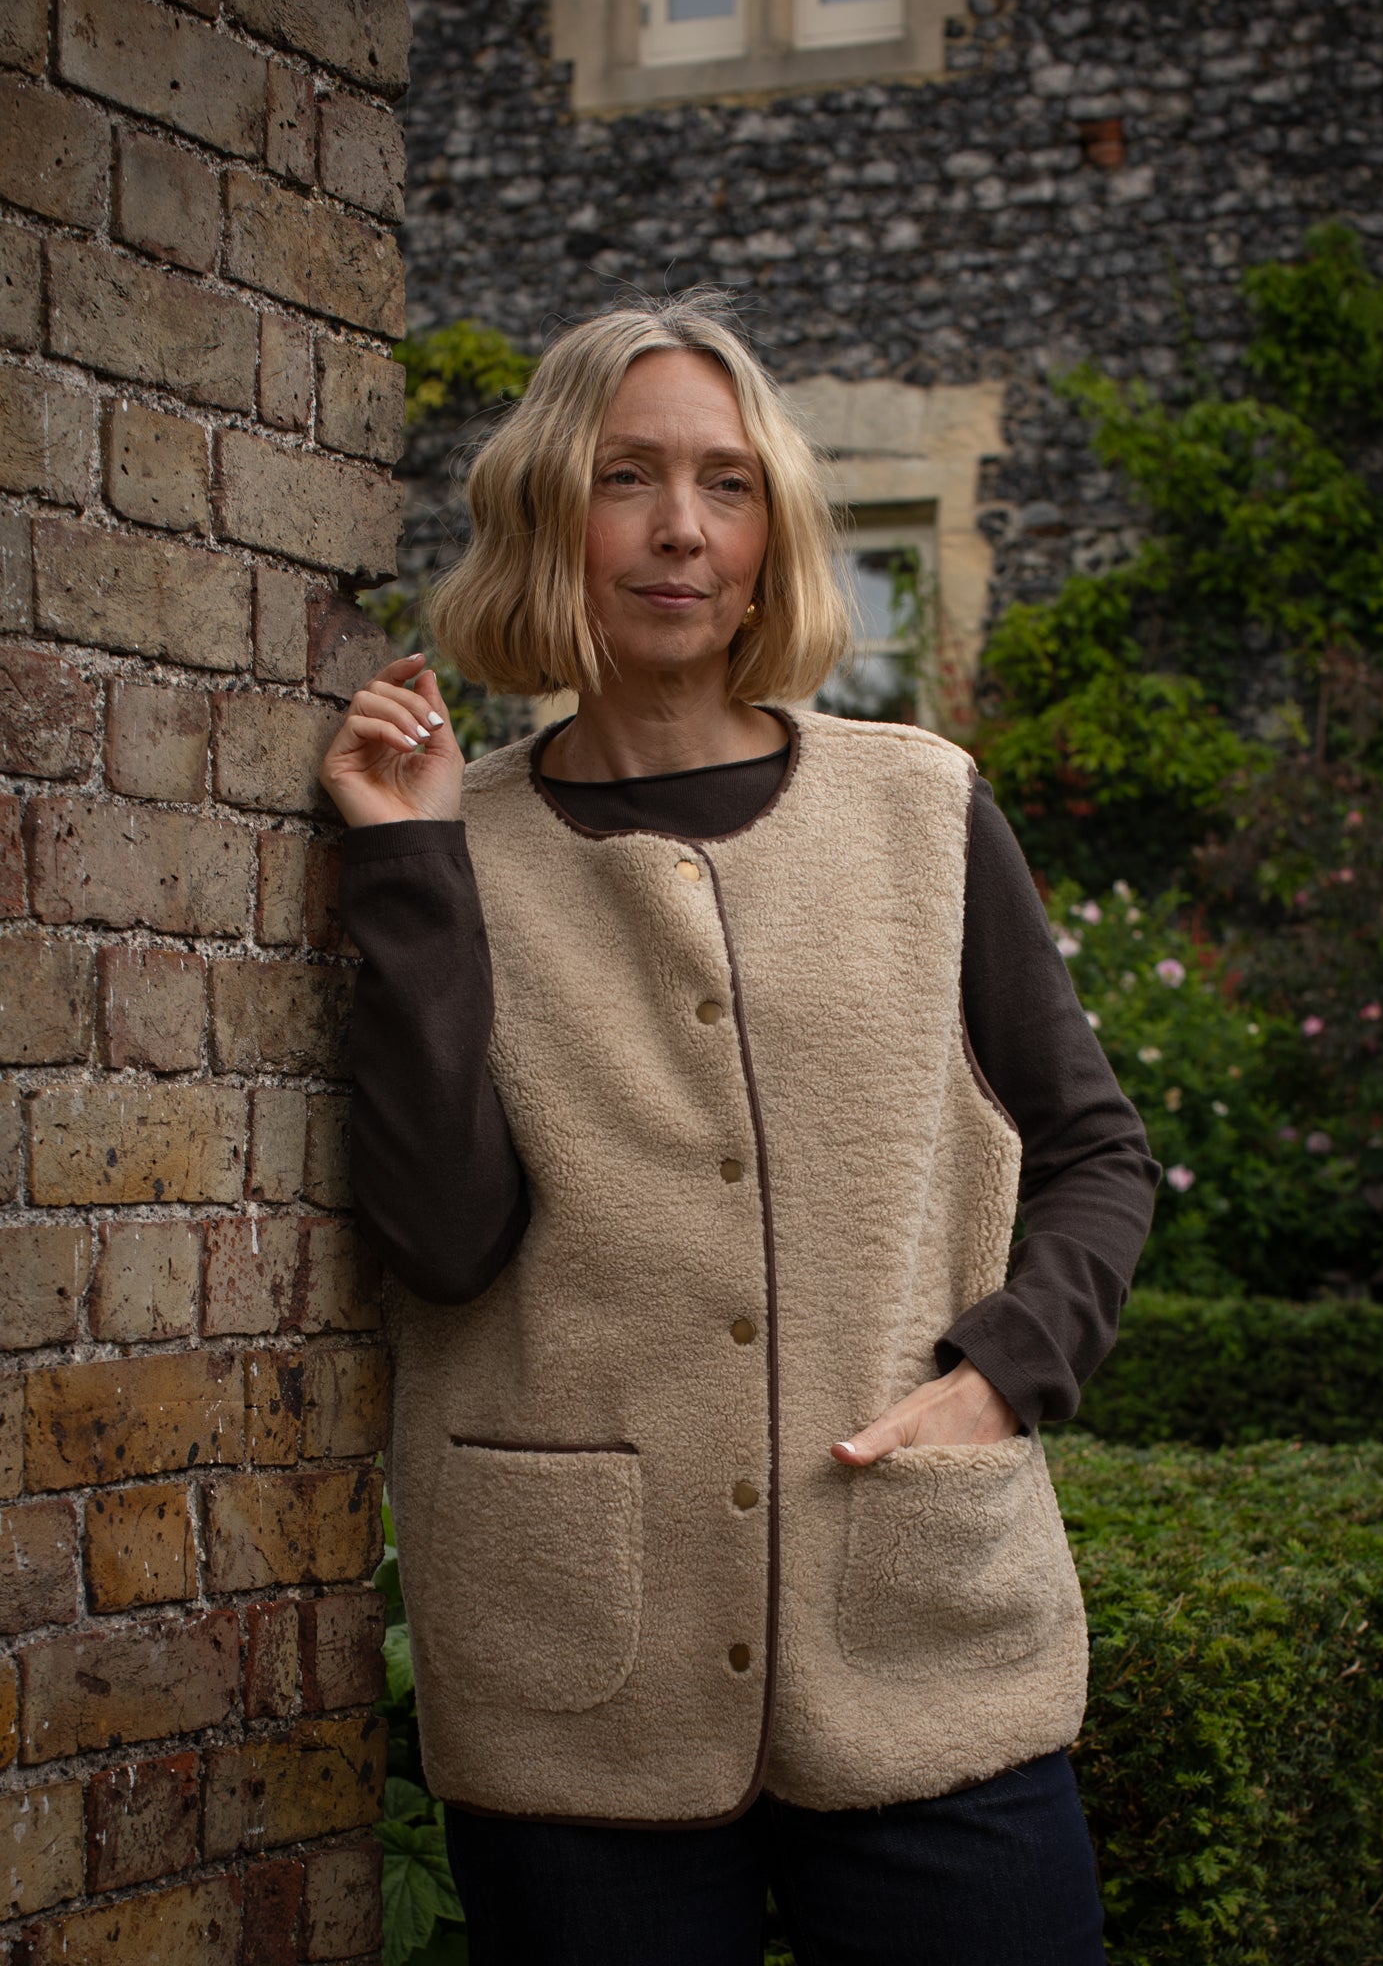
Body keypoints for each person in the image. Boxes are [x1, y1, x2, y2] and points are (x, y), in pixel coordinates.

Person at [320, 292, 1159, 1966]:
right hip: (574, 1663)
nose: (680, 530)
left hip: (919, 1626)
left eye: (725, 483)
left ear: (771, 532)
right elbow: (442, 1242)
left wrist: (1000, 1376)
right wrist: (407, 867)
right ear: (546, 514)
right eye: (626, 477)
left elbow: (1092, 1152)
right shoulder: (452, 845)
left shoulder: (920, 808)